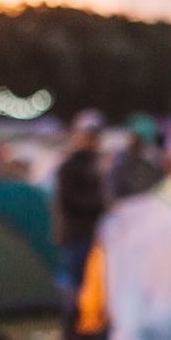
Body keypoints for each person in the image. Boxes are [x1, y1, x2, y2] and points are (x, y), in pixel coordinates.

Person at [53, 123, 107, 295]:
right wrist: (98, 204)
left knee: (88, 278)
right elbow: (69, 200)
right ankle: (72, 315)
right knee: (76, 279)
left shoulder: (93, 165)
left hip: (91, 231)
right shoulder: (70, 167)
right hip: (76, 231)